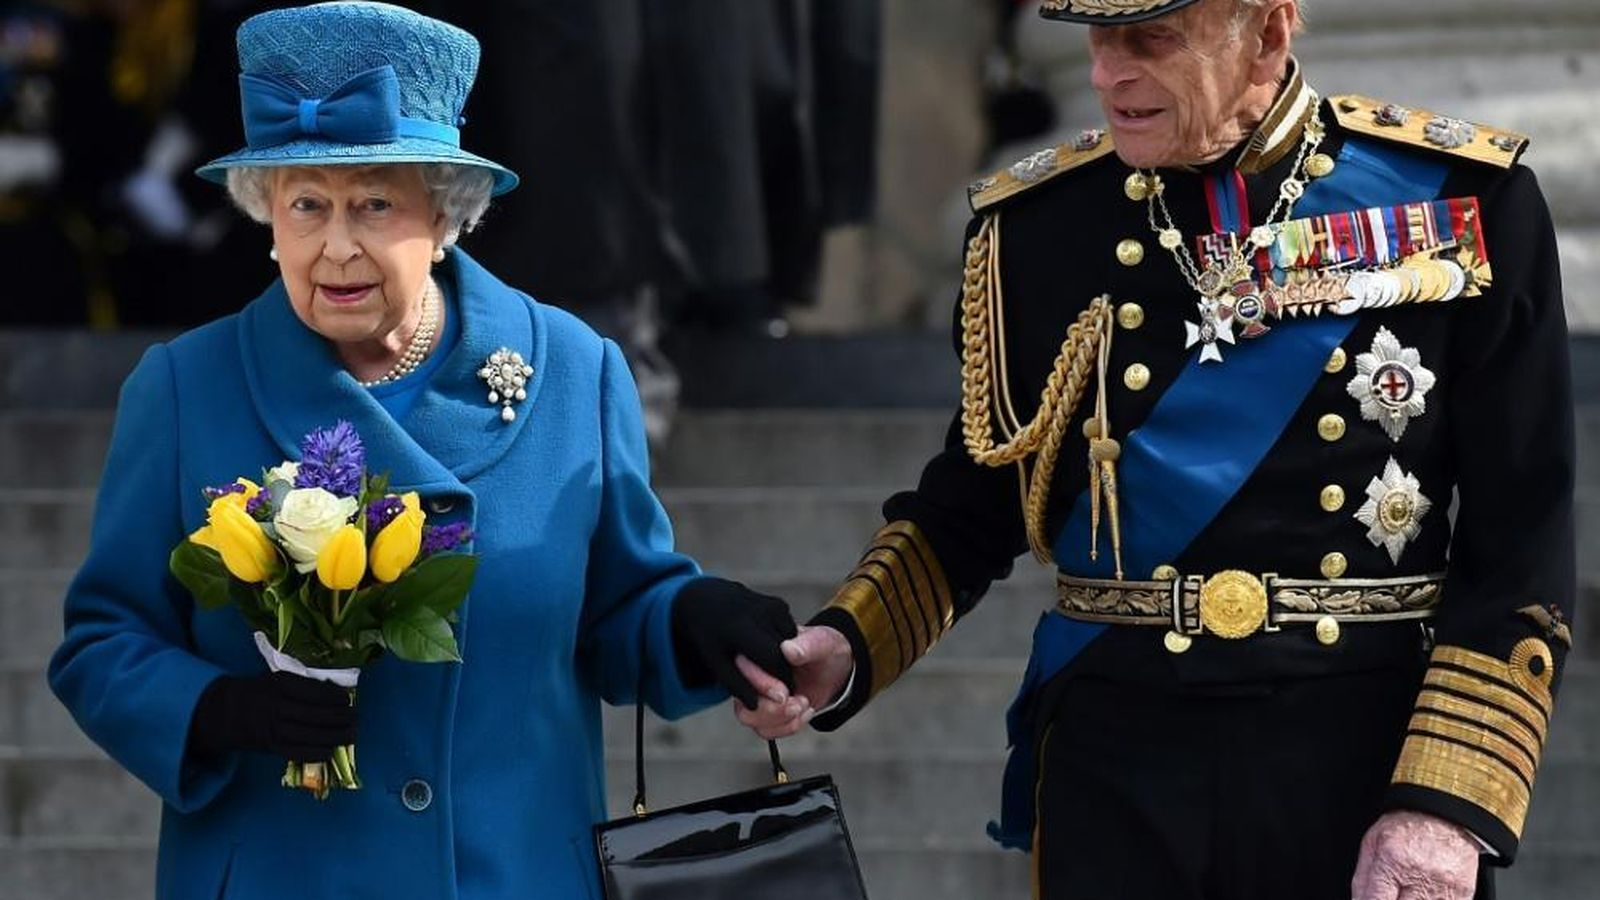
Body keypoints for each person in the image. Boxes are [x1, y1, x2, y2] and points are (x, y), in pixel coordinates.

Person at [735, 1, 1575, 898]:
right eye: (1099, 41)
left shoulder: (1454, 198)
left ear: (1268, 34)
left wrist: (1446, 803)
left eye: (1152, 40)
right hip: (1116, 762)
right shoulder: (1036, 227)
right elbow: (974, 506)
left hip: (1359, 750)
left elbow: (1522, 535)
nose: (1106, 75)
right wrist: (849, 641)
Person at [46, 5, 801, 899]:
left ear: (444, 214)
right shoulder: (185, 388)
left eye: (374, 204)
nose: (336, 246)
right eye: (306, 205)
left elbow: (621, 609)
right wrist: (215, 709)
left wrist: (692, 621)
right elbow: (103, 644)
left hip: (514, 876)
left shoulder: (576, 370)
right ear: (267, 215)